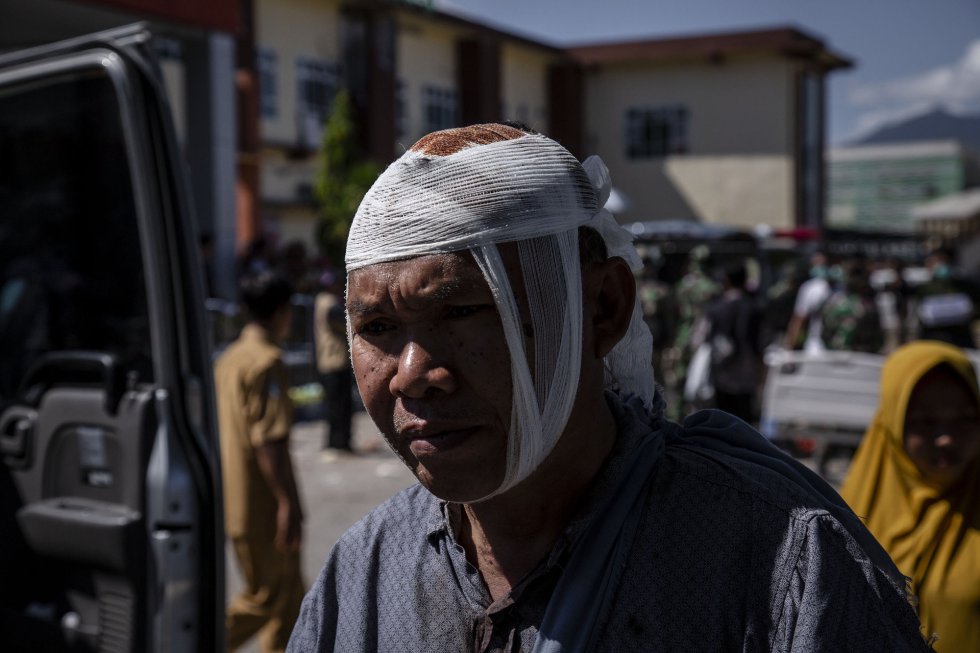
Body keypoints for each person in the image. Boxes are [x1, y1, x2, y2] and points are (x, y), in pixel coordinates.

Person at [288, 123, 930, 652]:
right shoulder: (364, 577)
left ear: (603, 307)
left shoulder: (780, 567)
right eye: (376, 327)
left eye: (460, 313)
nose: (410, 375)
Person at [841, 341, 980, 652]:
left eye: (965, 418)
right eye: (925, 422)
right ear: (893, 424)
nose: (946, 438)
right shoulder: (849, 518)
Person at [216, 271, 305, 653]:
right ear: (283, 311)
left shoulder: (231, 358)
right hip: (261, 502)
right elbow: (269, 439)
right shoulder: (267, 360)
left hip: (236, 499)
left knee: (290, 600)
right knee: (266, 596)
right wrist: (287, 501)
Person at [698, 261, 764, 422]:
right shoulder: (754, 308)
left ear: (726, 280)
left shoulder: (716, 308)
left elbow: (700, 338)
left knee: (722, 421)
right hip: (747, 375)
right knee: (744, 422)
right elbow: (761, 343)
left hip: (722, 374)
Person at [313, 269, 354, 457]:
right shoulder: (329, 303)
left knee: (334, 405)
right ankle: (339, 443)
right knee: (340, 406)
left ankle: (336, 443)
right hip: (335, 361)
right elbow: (344, 325)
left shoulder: (320, 301)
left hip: (327, 361)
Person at [910, 249, 978, 349]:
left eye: (943, 261)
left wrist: (970, 311)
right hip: (932, 338)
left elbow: (976, 306)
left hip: (960, 337)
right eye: (935, 261)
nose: (939, 265)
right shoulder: (924, 288)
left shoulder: (966, 286)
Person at [820, 259, 884, 353]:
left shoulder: (832, 304)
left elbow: (824, 334)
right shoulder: (868, 307)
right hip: (860, 359)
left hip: (833, 356)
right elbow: (878, 340)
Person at [783, 251, 832, 353]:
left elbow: (798, 320)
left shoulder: (810, 287)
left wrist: (788, 349)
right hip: (838, 350)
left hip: (815, 349)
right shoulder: (840, 287)